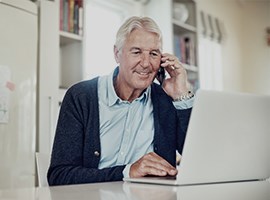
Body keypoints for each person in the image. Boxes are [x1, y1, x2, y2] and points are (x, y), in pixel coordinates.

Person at [47, 16, 194, 185]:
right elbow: (59, 176)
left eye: (154, 53)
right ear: (117, 54)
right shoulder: (80, 97)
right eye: (137, 52)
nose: (146, 64)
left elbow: (199, 159)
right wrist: (128, 171)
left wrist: (181, 96)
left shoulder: (166, 100)